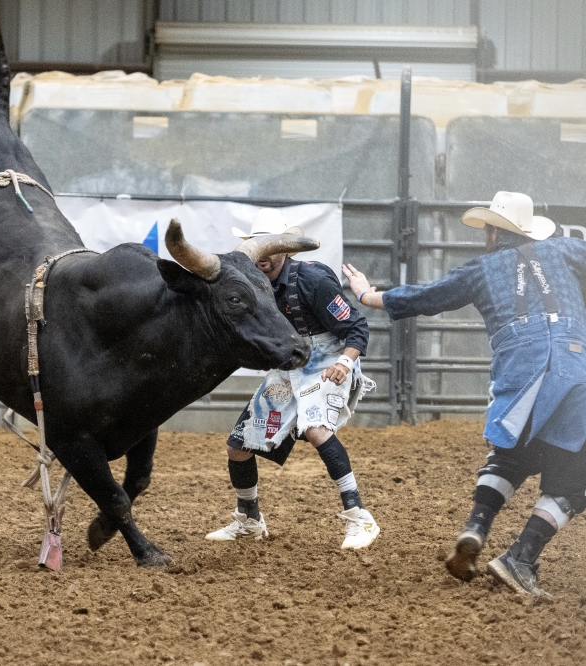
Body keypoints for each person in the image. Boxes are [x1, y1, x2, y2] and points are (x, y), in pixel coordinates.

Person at [344, 191, 586, 596]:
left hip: (519, 369)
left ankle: (476, 526)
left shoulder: (481, 269)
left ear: (492, 232)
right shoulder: (569, 251)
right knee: (573, 479)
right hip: (575, 366)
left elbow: (426, 297)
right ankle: (519, 558)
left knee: (511, 455)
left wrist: (368, 295)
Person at [206, 208, 379, 549]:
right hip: (290, 365)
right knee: (238, 446)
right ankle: (250, 520)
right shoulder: (253, 287)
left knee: (315, 428)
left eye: (271, 248)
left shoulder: (313, 280)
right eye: (259, 247)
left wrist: (345, 363)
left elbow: (356, 328)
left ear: (285, 250)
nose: (263, 257)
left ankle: (360, 516)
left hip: (329, 360)